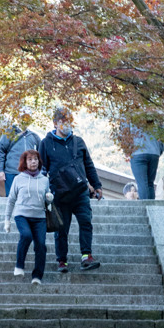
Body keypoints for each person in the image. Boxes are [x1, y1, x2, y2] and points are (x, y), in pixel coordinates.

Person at [40, 107, 103, 273]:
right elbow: (41, 168)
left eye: (68, 121)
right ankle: (62, 260)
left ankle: (86, 256)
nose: (66, 124)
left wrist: (96, 185)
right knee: (61, 228)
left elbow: (89, 165)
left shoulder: (78, 142)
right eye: (62, 121)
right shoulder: (46, 143)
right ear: (55, 123)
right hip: (59, 193)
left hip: (81, 191)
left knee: (85, 222)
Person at [3, 149, 54, 283]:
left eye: (35, 159)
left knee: (41, 245)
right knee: (26, 235)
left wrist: (49, 198)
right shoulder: (18, 179)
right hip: (22, 215)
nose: (33, 162)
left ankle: (37, 276)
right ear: (25, 162)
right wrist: (7, 220)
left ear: (39, 161)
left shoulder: (44, 180)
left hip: (40, 217)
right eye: (30, 159)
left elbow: (47, 200)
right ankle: (19, 266)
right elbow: (11, 200)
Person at [0, 117, 42, 195]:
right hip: (11, 173)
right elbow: (1, 151)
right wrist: (0, 170)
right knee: (12, 199)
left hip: (29, 174)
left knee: (27, 199)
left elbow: (41, 156)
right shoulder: (9, 133)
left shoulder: (34, 136)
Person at [125, 123, 164, 200]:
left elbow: (124, 132)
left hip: (137, 152)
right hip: (154, 152)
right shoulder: (157, 112)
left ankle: (144, 209)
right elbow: (163, 134)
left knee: (142, 184)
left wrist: (127, 150)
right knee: (150, 183)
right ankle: (151, 209)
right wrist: (159, 150)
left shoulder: (129, 112)